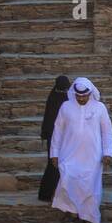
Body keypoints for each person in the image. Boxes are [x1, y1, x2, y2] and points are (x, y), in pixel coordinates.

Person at [49, 77, 112, 223]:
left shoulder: (100, 108)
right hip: (68, 153)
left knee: (90, 187)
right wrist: (54, 154)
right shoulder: (65, 107)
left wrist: (108, 152)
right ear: (74, 94)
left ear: (90, 93)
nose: (81, 98)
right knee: (67, 182)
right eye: (78, 96)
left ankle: (89, 218)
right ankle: (70, 214)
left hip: (92, 156)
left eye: (84, 96)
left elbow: (107, 132)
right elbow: (57, 131)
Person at [37, 74, 70, 203]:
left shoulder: (53, 97)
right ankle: (50, 194)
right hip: (58, 137)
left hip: (56, 136)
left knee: (54, 165)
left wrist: (45, 133)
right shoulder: (66, 99)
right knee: (55, 165)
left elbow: (47, 118)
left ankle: (48, 194)